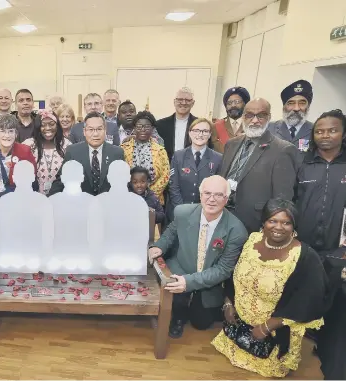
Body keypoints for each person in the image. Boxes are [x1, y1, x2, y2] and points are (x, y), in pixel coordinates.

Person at [212, 199, 329, 378]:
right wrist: (228, 303)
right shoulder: (251, 241)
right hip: (238, 327)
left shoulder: (305, 257)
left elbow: (309, 300)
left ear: (294, 226)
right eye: (272, 220)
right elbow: (233, 274)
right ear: (263, 222)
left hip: (272, 334)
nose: (278, 227)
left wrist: (268, 326)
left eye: (286, 222)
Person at [148, 175, 248, 339]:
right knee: (176, 299)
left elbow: (223, 270)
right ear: (200, 195)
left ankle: (204, 304)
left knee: (201, 323)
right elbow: (170, 234)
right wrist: (158, 247)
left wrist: (189, 282)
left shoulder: (236, 230)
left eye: (218, 195)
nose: (211, 199)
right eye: (207, 193)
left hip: (207, 278)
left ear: (226, 198)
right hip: (181, 268)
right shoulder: (182, 212)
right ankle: (178, 316)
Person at [218, 98, 299, 233]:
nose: (255, 121)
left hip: (254, 223)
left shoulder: (282, 149)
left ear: (269, 117)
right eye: (249, 115)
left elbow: (283, 198)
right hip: (223, 216)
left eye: (261, 115)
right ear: (243, 117)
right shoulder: (231, 144)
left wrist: (270, 226)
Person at [296, 109, 346, 257]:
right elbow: (290, 200)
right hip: (301, 245)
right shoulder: (301, 161)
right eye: (319, 131)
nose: (325, 135)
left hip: (339, 249)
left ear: (343, 134)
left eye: (332, 131)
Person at [49, 112, 125, 196]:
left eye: (99, 129)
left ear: (105, 131)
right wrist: (51, 200)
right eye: (91, 129)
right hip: (81, 204)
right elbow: (61, 180)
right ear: (84, 131)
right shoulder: (73, 151)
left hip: (108, 204)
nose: (95, 134)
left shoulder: (117, 153)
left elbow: (123, 182)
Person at [168, 118, 223, 220]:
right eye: (196, 130)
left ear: (210, 134)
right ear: (189, 133)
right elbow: (173, 186)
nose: (200, 134)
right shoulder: (178, 156)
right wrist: (182, 210)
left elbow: (217, 189)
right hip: (178, 211)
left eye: (205, 131)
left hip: (204, 214)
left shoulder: (218, 158)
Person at [0, 114, 37, 203]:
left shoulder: (25, 151)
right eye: (2, 131)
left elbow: (32, 182)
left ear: (16, 133)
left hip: (19, 205)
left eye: (11, 131)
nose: (7, 135)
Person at [120, 111, 170, 204]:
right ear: (134, 128)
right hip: (128, 198)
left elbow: (165, 176)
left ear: (152, 128)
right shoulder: (123, 149)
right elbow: (119, 174)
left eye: (147, 126)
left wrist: (149, 195)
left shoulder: (160, 150)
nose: (143, 129)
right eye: (139, 126)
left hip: (154, 200)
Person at [22, 109, 71, 195]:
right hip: (34, 199)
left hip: (60, 197)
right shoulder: (28, 145)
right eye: (43, 125)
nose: (48, 128)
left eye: (52, 124)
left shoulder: (67, 145)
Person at [268, 80, 314, 152]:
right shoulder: (269, 128)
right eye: (291, 103)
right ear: (284, 107)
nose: (296, 108)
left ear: (308, 106)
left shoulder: (315, 131)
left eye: (302, 103)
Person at [156, 87, 198, 160]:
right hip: (166, 166)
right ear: (174, 102)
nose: (184, 103)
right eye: (180, 99)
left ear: (193, 103)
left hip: (191, 167)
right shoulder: (160, 125)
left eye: (188, 100)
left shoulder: (199, 125)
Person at [211, 86, 250, 153]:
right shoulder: (215, 127)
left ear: (245, 104)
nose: (233, 105)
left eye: (237, 102)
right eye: (229, 103)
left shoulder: (251, 125)